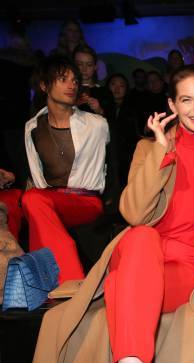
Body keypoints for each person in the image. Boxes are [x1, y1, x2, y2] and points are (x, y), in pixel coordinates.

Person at [26, 65, 194, 363]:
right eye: (187, 100)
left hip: (189, 266)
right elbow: (134, 214)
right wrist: (160, 151)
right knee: (140, 236)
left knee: (136, 256)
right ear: (172, 104)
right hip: (143, 254)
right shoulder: (149, 148)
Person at [22, 55, 109, 283]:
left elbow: (116, 163)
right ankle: (46, 284)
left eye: (74, 80)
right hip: (49, 200)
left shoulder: (97, 125)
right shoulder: (32, 127)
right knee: (32, 201)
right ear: (44, 85)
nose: (71, 85)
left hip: (85, 201)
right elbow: (35, 171)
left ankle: (70, 280)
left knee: (33, 200)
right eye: (62, 79)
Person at [73, 44, 112, 116]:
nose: (84, 69)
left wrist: (99, 110)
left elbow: (113, 122)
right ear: (73, 66)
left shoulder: (104, 92)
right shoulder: (68, 90)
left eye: (89, 65)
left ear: (95, 67)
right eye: (79, 64)